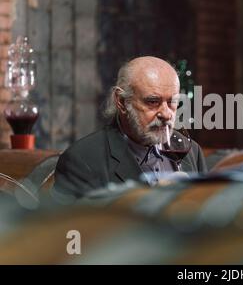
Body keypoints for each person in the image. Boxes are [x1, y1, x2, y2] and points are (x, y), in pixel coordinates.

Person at [53, 56, 207, 198]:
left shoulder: (192, 152)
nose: (167, 114)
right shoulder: (81, 160)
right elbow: (74, 227)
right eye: (153, 102)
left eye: (172, 102)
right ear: (121, 101)